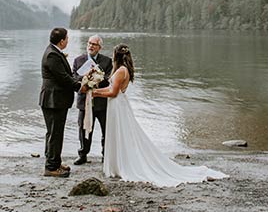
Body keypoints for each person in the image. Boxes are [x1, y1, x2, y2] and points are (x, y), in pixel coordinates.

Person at [89, 44, 228, 187]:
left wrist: (94, 93)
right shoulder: (123, 70)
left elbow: (113, 93)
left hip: (117, 105)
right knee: (121, 135)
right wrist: (94, 90)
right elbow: (111, 89)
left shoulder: (120, 71)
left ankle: (123, 164)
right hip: (118, 105)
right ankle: (119, 163)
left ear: (115, 56)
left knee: (122, 134)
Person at [39, 27, 82, 178]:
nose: (68, 40)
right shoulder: (52, 55)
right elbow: (63, 78)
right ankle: (51, 167)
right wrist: (81, 87)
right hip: (53, 100)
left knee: (54, 132)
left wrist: (81, 79)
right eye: (67, 38)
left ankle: (55, 161)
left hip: (56, 100)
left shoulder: (54, 51)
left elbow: (67, 75)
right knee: (55, 133)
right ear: (62, 40)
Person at [72, 35, 113, 165]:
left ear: (99, 47)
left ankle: (105, 155)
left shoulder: (107, 61)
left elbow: (108, 79)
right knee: (83, 129)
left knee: (106, 130)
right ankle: (83, 154)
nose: (91, 46)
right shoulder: (78, 60)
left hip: (101, 101)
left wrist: (96, 79)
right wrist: (84, 80)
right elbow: (73, 78)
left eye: (94, 44)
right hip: (84, 101)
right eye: (89, 43)